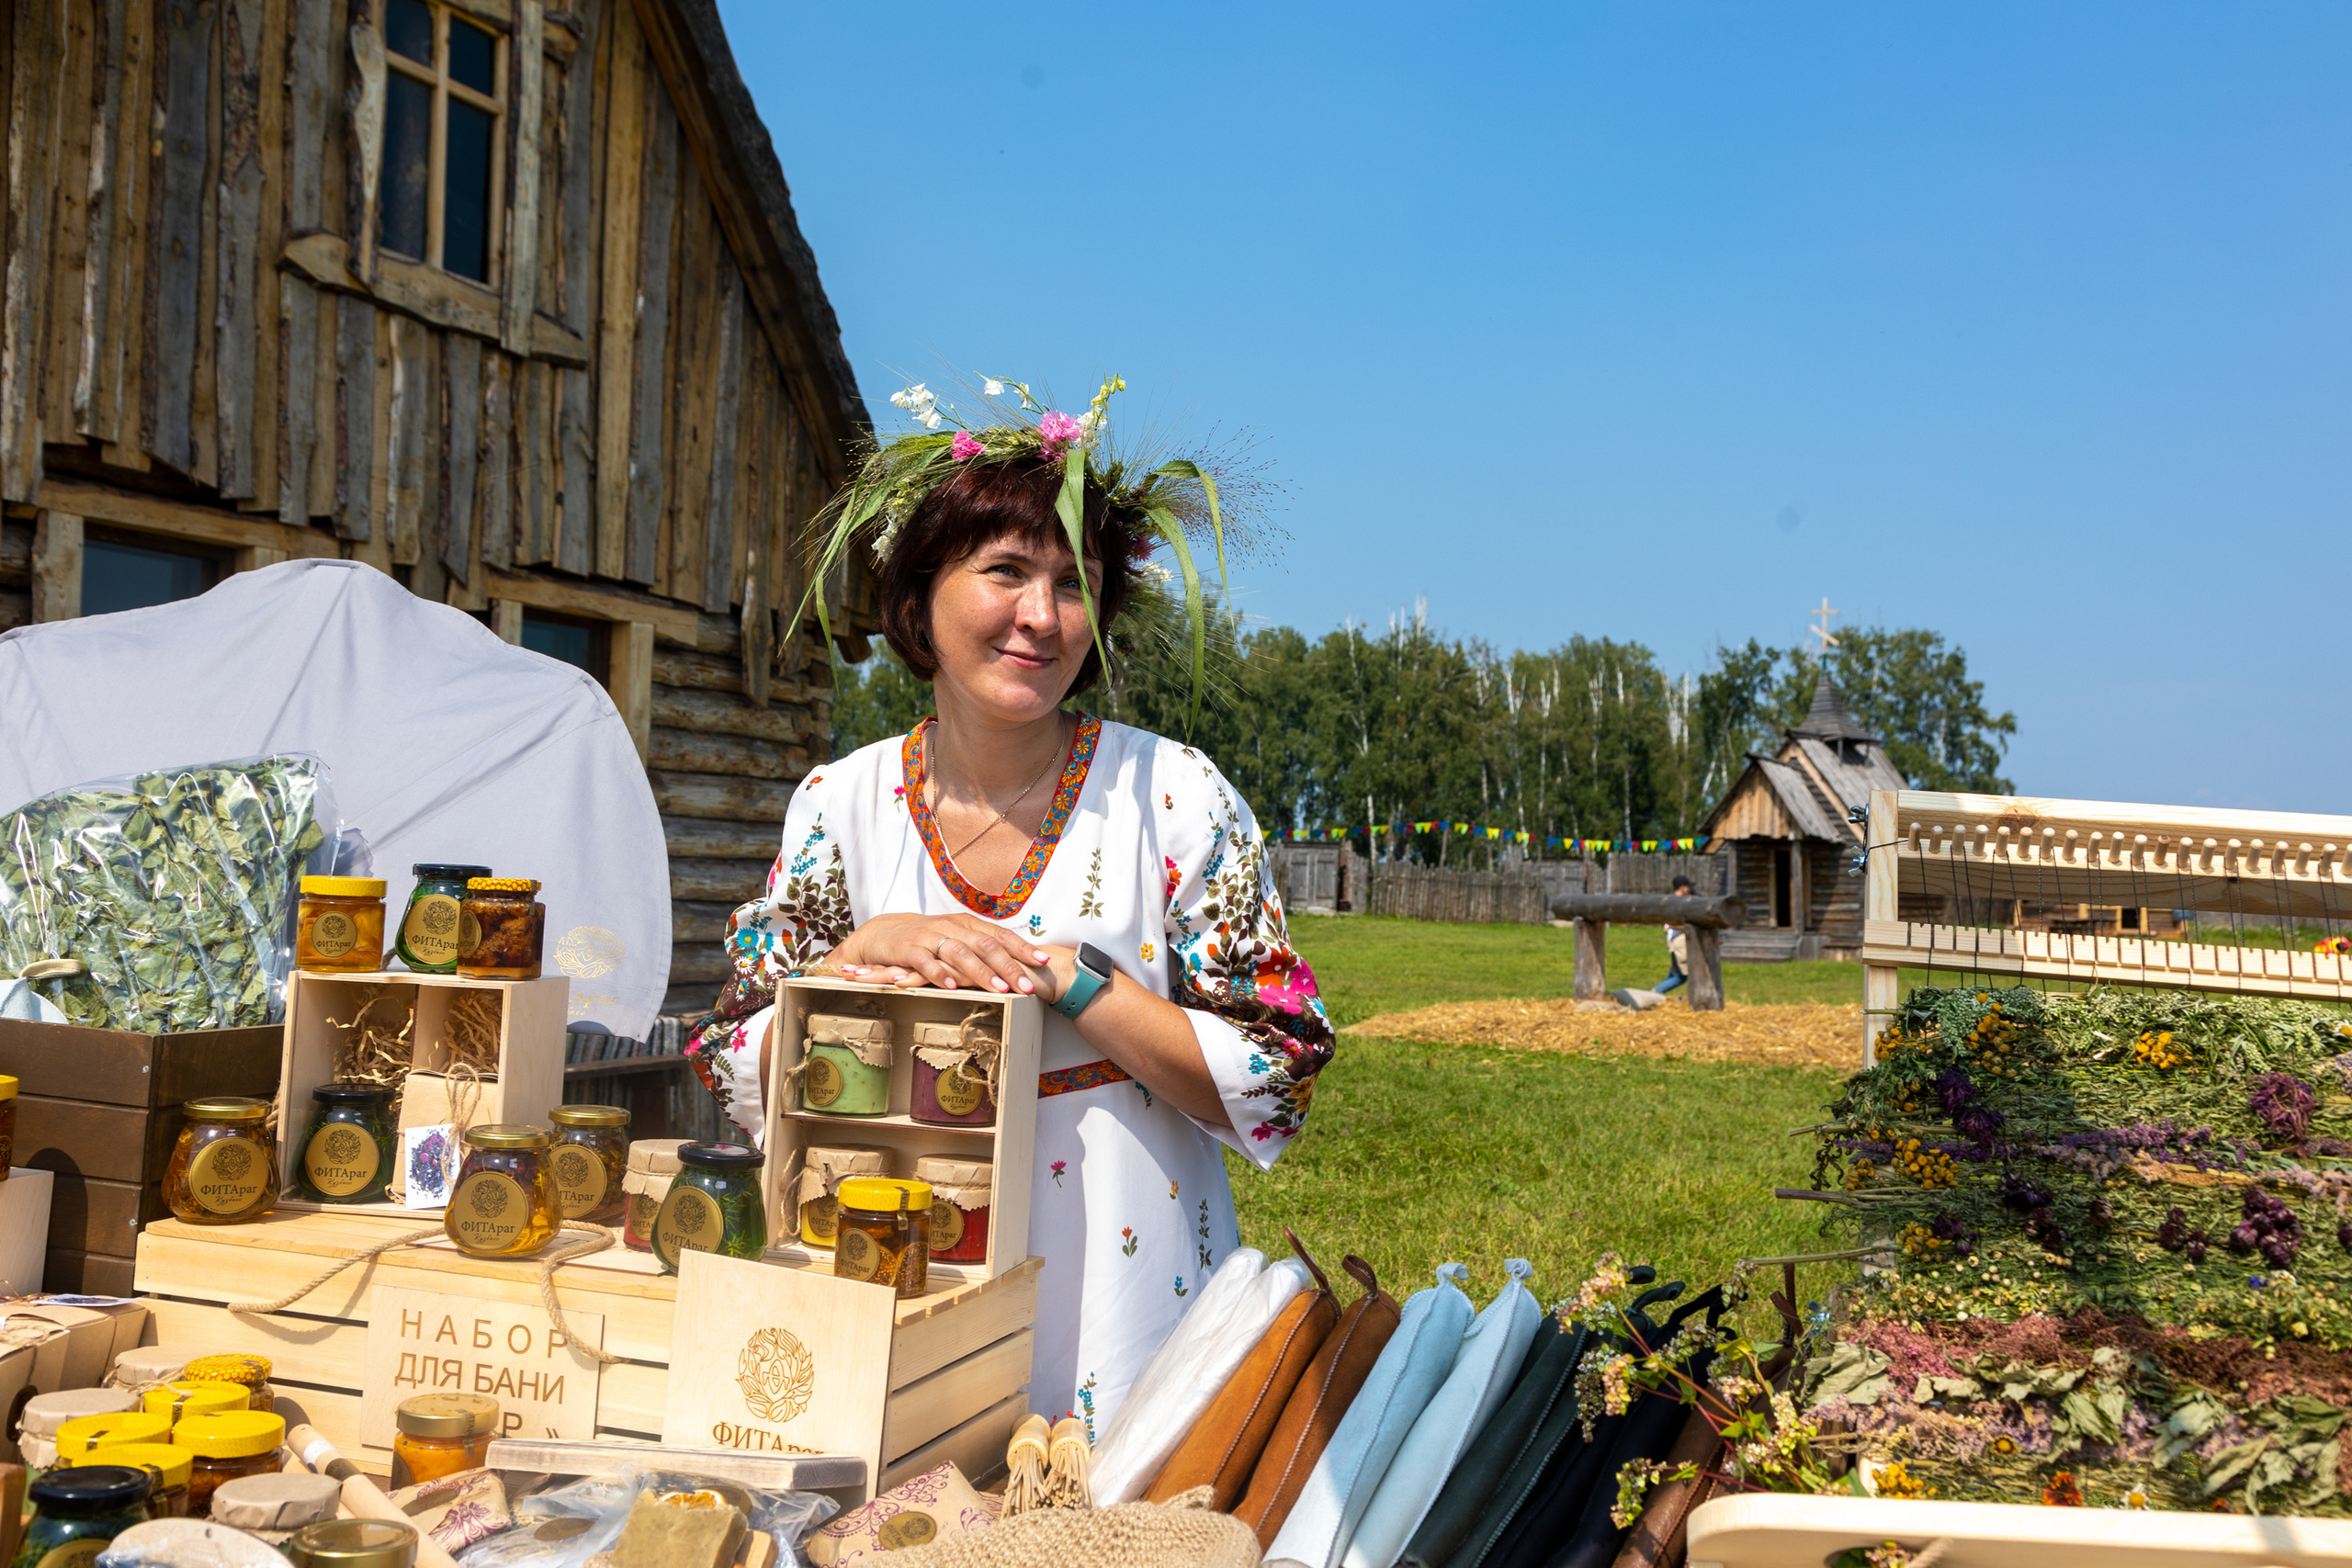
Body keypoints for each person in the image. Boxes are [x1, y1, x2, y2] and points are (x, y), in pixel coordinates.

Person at [685, 377, 1334, 1438]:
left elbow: (1275, 1072)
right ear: (915, 602)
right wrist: (855, 955)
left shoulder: (1170, 797)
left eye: (1072, 585)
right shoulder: (836, 805)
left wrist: (1082, 984)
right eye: (1004, 573)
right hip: (890, 1271)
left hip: (1125, 1289)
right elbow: (733, 1059)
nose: (1041, 616)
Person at [1653, 874, 1695, 993]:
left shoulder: (1669, 901)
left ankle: (1655, 993)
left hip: (1673, 941)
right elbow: (1675, 923)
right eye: (1688, 887)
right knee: (1682, 976)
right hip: (1679, 942)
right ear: (1682, 888)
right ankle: (1655, 992)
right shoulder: (1679, 902)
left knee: (1674, 973)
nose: (1689, 890)